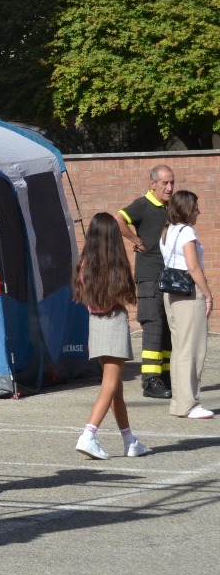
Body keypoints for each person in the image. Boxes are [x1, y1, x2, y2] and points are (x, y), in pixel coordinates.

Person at [72, 213, 152, 459]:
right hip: (114, 324)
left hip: (95, 325)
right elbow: (125, 296)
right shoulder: (115, 264)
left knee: (116, 388)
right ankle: (89, 434)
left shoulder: (85, 263)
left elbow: (87, 295)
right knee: (109, 385)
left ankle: (130, 440)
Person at [118, 164, 177, 399]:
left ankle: (165, 377)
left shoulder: (170, 207)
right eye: (165, 183)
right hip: (149, 277)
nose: (170, 187)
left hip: (169, 277)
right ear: (152, 184)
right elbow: (118, 219)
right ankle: (150, 381)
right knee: (153, 327)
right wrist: (136, 239)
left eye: (172, 182)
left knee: (168, 331)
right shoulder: (142, 204)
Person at [159, 190, 213, 420]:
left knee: (180, 348)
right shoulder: (187, 231)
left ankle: (180, 403)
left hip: (171, 293)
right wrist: (208, 295)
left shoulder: (167, 230)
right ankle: (189, 404)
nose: (198, 211)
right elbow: (193, 267)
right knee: (192, 349)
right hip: (189, 293)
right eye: (195, 207)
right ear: (185, 209)